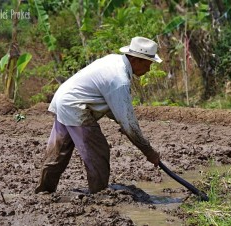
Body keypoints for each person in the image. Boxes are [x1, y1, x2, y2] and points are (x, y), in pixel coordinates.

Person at [35, 37, 162, 194]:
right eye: (148, 64)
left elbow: (108, 103)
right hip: (76, 107)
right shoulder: (119, 80)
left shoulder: (114, 61)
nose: (149, 69)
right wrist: (149, 152)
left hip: (65, 99)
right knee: (98, 151)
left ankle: (43, 192)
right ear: (136, 60)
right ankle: (99, 194)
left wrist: (122, 122)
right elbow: (129, 124)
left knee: (58, 152)